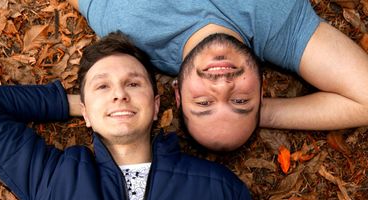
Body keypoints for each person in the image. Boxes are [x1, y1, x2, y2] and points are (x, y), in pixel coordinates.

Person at [0, 32, 270, 200]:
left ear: (155, 106)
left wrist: (98, 104)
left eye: (133, 84)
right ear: (84, 111)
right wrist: (79, 105)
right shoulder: (53, 179)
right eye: (103, 86)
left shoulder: (220, 189)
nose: (119, 95)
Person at [66, 0, 368, 151]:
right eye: (240, 100)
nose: (222, 85)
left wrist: (247, 111)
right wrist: (265, 114)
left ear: (179, 94)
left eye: (204, 103)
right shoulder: (279, 27)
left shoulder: (131, 24)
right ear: (261, 91)